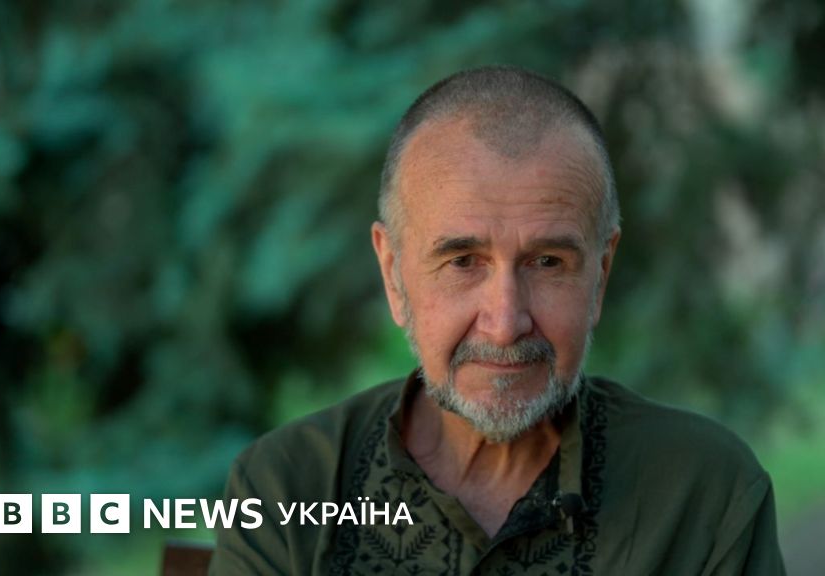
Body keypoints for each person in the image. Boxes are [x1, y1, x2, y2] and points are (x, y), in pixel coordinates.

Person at [210, 66, 786, 575]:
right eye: (463, 262)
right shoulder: (287, 488)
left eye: (548, 262)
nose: (506, 323)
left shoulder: (704, 494)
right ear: (393, 272)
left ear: (601, 274)